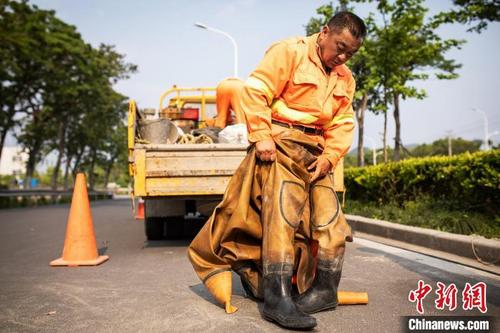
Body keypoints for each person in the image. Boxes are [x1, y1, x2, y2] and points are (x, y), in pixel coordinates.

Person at [188, 11, 366, 330]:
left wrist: (330, 156)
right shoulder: (289, 51)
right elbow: (256, 90)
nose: (342, 56)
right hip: (281, 142)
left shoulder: (345, 78)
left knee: (331, 223)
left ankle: (326, 289)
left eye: (349, 53)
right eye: (339, 47)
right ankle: (276, 296)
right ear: (324, 33)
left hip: (316, 152)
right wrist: (262, 136)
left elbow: (342, 123)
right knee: (281, 218)